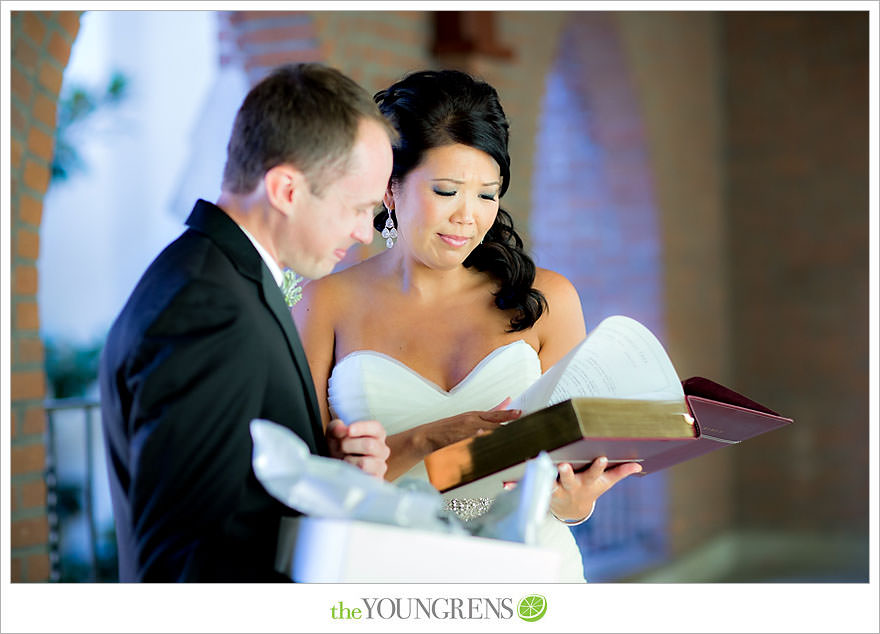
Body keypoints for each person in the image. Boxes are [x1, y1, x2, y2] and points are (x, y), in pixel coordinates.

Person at [294, 69, 642, 582]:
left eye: (486, 194)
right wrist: (423, 440)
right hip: (384, 577)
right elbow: (309, 480)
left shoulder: (549, 301)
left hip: (531, 575)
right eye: (447, 190)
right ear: (391, 188)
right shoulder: (324, 301)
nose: (468, 217)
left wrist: (575, 503)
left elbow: (571, 478)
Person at [99, 63, 394, 582]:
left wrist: (316, 469)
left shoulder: (218, 276)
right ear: (285, 190)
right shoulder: (209, 309)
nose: (366, 233)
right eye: (358, 208)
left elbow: (235, 494)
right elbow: (179, 561)